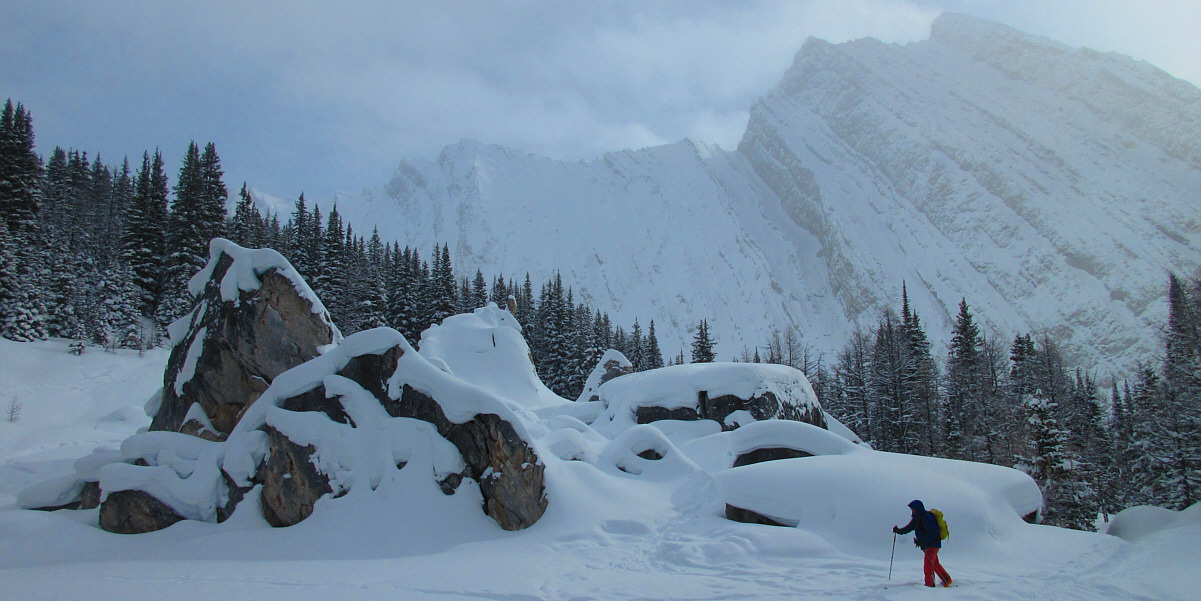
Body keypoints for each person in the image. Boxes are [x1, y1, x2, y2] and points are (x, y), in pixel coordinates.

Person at [893, 499, 952, 588]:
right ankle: (946, 579)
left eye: (912, 509)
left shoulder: (926, 517)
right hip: (928, 545)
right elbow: (909, 527)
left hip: (932, 544)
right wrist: (899, 531)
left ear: (917, 508)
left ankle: (929, 585)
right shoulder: (917, 518)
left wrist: (922, 541)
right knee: (934, 563)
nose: (912, 511)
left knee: (928, 565)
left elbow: (933, 533)